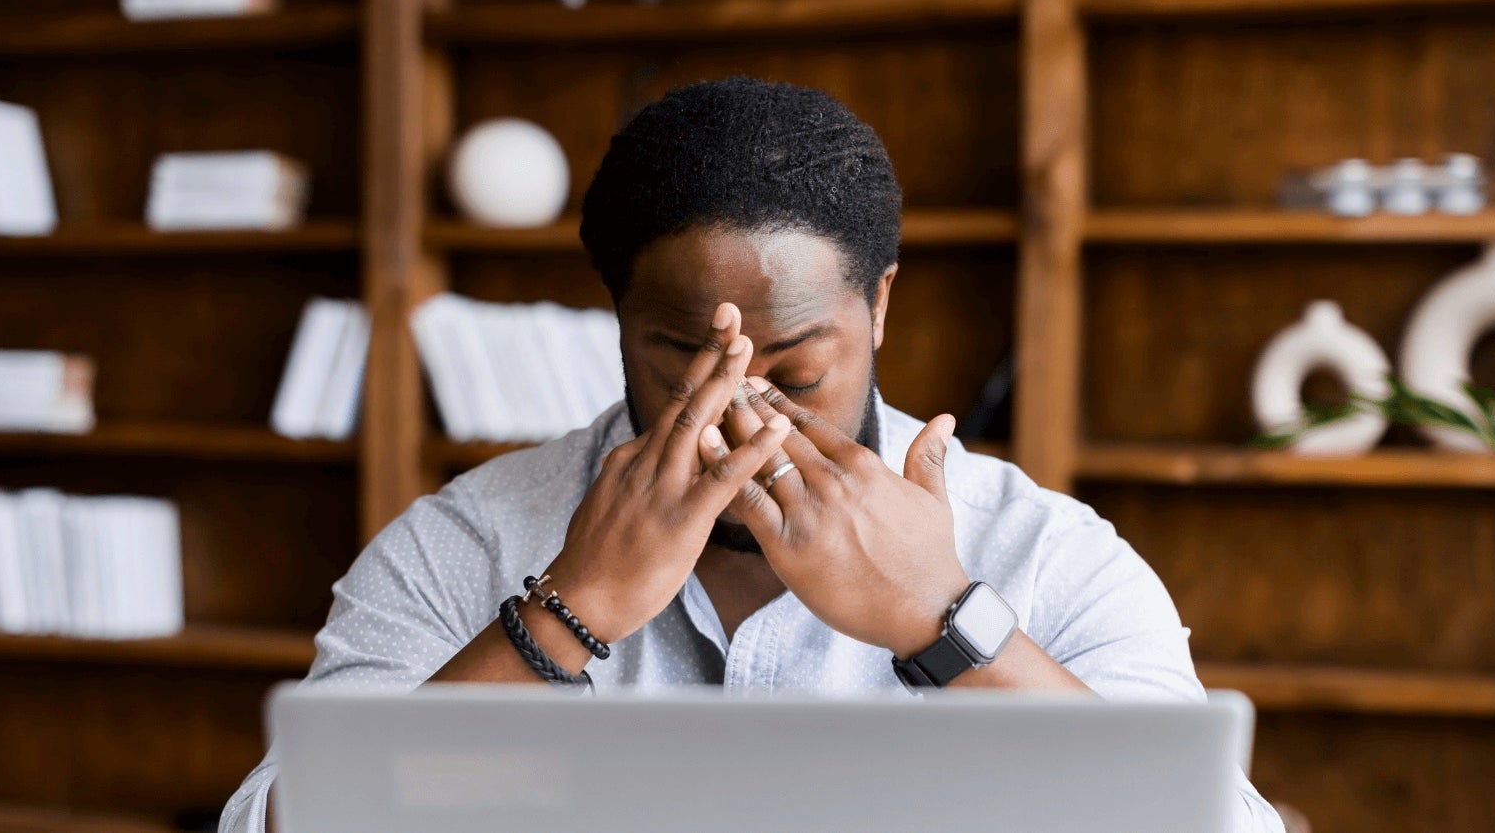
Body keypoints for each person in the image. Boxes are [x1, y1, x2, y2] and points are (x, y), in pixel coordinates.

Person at [221, 76, 1284, 833]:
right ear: (618, 320)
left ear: (879, 307)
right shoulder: (468, 540)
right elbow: (280, 821)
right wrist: (565, 612)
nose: (739, 412)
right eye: (684, 357)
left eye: (797, 368)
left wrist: (948, 622)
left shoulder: (1041, 549)